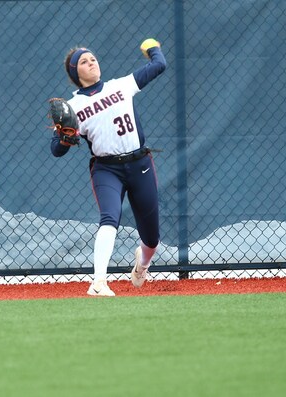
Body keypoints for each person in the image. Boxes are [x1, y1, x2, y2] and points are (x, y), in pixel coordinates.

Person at [50, 39, 167, 296]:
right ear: (75, 73)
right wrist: (64, 138)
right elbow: (56, 150)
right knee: (109, 217)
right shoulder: (74, 107)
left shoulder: (121, 86)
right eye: (83, 61)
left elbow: (159, 65)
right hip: (107, 169)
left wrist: (151, 47)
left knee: (151, 240)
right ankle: (99, 282)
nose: (91, 62)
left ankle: (142, 265)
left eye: (92, 58)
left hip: (140, 164)